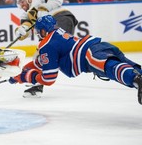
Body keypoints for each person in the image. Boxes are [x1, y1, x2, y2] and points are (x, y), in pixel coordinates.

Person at [9, 15, 142, 105]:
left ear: (43, 31)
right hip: (100, 46)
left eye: (39, 32)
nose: (38, 35)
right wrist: (19, 72)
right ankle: (137, 77)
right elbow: (40, 63)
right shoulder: (57, 33)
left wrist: (24, 76)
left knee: (114, 69)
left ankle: (136, 79)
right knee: (131, 68)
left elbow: (48, 78)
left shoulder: (46, 44)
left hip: (90, 55)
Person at [15, 0, 78, 98]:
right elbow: (26, 28)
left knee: (47, 51)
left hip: (60, 17)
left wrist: (44, 8)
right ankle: (37, 86)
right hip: (49, 29)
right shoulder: (26, 15)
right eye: (19, 4)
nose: (22, 5)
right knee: (42, 55)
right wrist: (21, 31)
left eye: (22, 1)